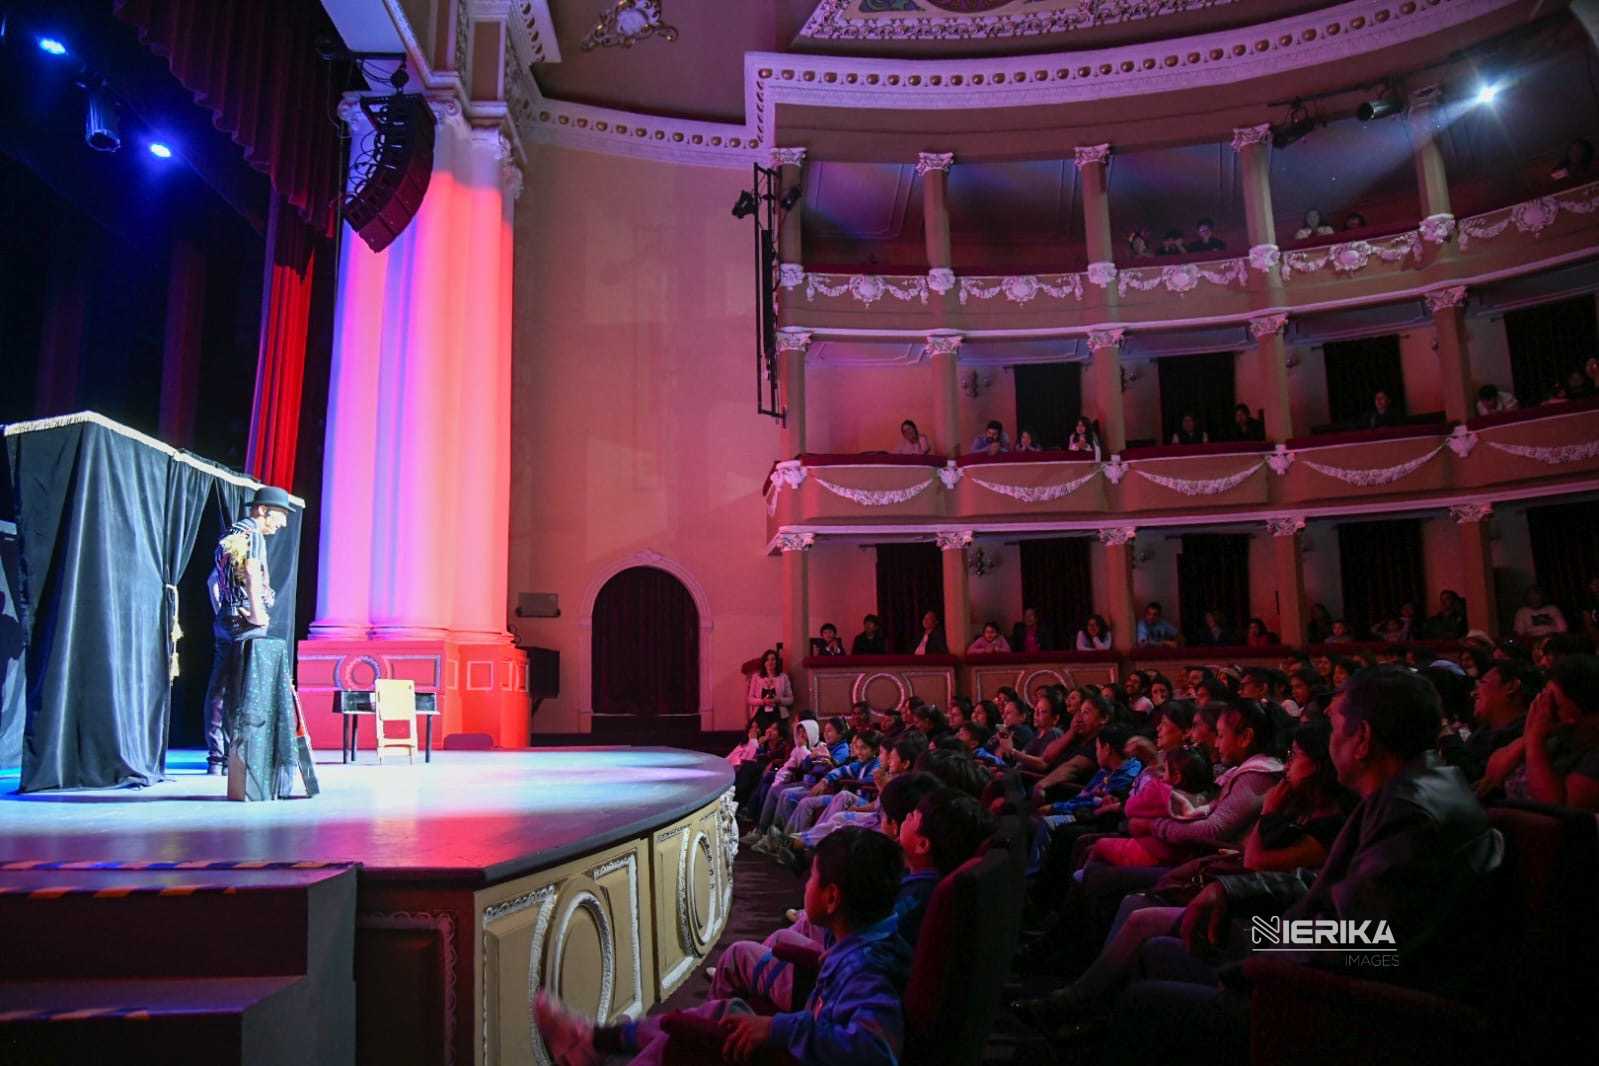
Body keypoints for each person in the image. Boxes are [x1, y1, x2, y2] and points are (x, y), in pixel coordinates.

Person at [1092, 668, 1503, 1064]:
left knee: (1145, 995)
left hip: (1341, 1010)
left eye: (1337, 727)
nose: (1328, 743)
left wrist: (1257, 955)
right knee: (1159, 946)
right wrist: (1233, 892)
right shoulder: (1418, 786)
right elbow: (1342, 891)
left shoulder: (1409, 811)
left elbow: (1368, 941)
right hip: (1324, 966)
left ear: (1361, 739)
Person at [535, 828, 911, 1066]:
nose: (805, 885)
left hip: (792, 1052)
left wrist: (782, 1030)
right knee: (717, 1014)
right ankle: (598, 1041)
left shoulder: (866, 969)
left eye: (812, 877)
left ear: (832, 898)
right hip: (804, 1033)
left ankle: (598, 1043)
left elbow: (874, 1052)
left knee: (683, 1039)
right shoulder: (862, 944)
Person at [204, 486, 293, 778]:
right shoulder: (253, 536)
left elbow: (212, 582)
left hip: (226, 620)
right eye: (279, 515)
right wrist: (256, 612)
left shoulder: (232, 533)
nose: (282, 524)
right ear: (262, 510)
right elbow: (253, 573)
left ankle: (217, 759)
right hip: (246, 622)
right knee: (246, 691)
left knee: (220, 689)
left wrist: (223, 609)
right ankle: (242, 758)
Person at [1438, 659, 1537, 785]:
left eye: (1483, 683)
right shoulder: (1484, 730)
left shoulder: (1522, 736)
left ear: (1511, 687)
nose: (1474, 693)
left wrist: (1444, 729)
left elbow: (1470, 778)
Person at [747, 649, 795, 730]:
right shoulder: (756, 677)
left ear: (777, 661)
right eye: (767, 660)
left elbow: (791, 699)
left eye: (773, 659)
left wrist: (778, 700)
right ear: (764, 662)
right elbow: (750, 699)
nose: (770, 662)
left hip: (779, 713)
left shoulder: (783, 677)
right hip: (760, 713)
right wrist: (763, 701)